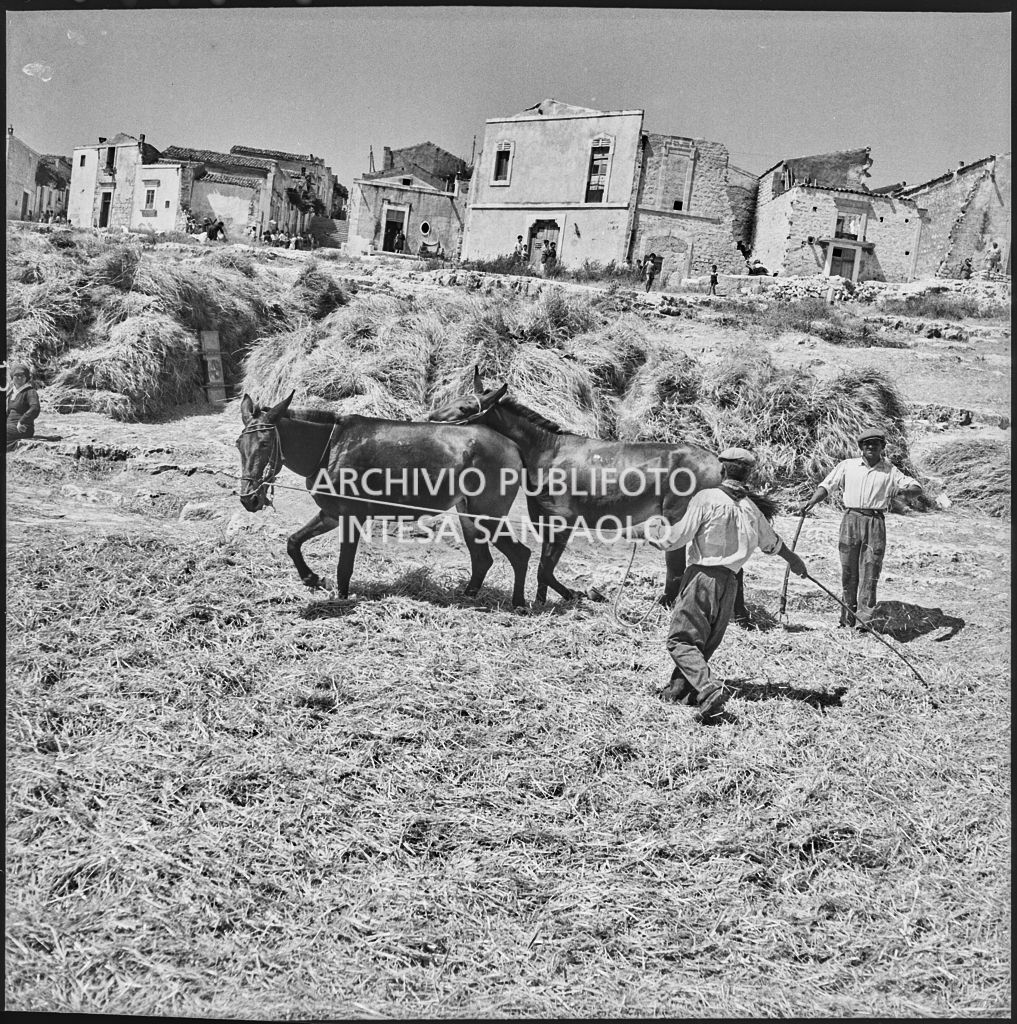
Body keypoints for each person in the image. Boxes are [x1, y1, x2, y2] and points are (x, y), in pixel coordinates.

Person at [642, 448, 808, 720]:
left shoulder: (706, 498)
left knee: (680, 640)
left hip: (702, 578)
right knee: (703, 643)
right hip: (730, 583)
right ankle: (678, 691)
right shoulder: (751, 508)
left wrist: (655, 533)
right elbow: (772, 542)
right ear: (748, 474)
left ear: (720, 470)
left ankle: (708, 689)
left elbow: (678, 538)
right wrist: (795, 562)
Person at [797, 428, 922, 628]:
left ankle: (865, 621)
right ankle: (846, 618)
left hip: (875, 522)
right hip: (850, 519)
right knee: (848, 569)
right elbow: (828, 485)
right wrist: (811, 502)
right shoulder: (847, 466)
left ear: (882, 447)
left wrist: (904, 491)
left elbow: (916, 488)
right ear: (861, 447)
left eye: (875, 444)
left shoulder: (890, 470)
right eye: (866, 444)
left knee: (870, 569)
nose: (871, 447)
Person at [7, 362, 41, 450]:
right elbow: (8, 412)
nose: (19, 377)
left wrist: (22, 421)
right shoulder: (12, 393)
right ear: (12, 377)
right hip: (10, 425)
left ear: (26, 378)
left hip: (23, 427)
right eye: (16, 375)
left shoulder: (30, 391)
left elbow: (35, 408)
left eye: (22, 375)